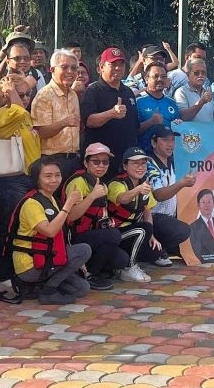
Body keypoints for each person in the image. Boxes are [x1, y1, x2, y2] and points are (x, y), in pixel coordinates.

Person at [7, 158, 92, 304]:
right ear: (37, 179)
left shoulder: (51, 199)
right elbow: (50, 231)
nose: (54, 180)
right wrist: (69, 204)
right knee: (84, 250)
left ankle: (38, 286)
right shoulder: (31, 203)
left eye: (57, 175)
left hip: (47, 258)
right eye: (48, 176)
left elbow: (61, 233)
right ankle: (48, 291)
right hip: (30, 265)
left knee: (82, 288)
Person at [0, 72, 41, 297]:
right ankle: (2, 276)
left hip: (28, 177)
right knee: (7, 228)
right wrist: (8, 91)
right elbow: (17, 110)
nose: (25, 98)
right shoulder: (5, 113)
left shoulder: (25, 115)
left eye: (28, 94)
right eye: (21, 94)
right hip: (11, 178)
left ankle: (17, 272)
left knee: (21, 228)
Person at [109, 146, 190, 275]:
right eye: (135, 163)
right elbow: (122, 199)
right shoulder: (117, 183)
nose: (140, 167)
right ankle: (129, 267)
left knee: (154, 250)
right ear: (125, 166)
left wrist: (151, 236)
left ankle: (136, 257)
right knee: (143, 230)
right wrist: (138, 190)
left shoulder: (144, 184)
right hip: (117, 233)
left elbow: (147, 211)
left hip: (136, 231)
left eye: (143, 163)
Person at [64, 143, 128, 290]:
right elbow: (71, 216)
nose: (101, 166)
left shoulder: (102, 185)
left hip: (92, 234)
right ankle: (90, 274)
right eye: (96, 161)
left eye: (105, 162)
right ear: (86, 163)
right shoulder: (78, 182)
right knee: (113, 235)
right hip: (74, 237)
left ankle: (93, 269)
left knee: (121, 259)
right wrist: (92, 196)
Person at [81, 47, 139, 172]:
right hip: (102, 162)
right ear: (101, 67)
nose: (118, 68)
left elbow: (134, 126)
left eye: (121, 64)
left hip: (125, 160)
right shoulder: (92, 91)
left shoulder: (128, 91)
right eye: (113, 64)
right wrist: (111, 113)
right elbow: (89, 121)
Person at [32, 48, 82, 181]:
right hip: (52, 162)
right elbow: (41, 133)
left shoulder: (72, 94)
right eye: (64, 67)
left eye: (74, 68)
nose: (70, 72)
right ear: (52, 69)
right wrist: (64, 122)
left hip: (73, 159)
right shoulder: (44, 95)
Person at [146, 124, 198, 242]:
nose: (170, 144)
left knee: (195, 236)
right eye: (165, 140)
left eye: (173, 140)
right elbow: (158, 195)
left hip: (172, 215)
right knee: (182, 230)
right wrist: (182, 183)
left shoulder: (176, 161)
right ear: (154, 143)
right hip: (153, 217)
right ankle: (159, 249)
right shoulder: (148, 163)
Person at [136, 63, 180, 150]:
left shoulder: (172, 102)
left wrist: (179, 124)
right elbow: (131, 132)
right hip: (144, 157)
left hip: (166, 157)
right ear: (146, 79)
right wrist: (151, 122)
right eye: (156, 76)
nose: (160, 79)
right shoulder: (138, 101)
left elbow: (176, 131)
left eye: (163, 76)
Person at [174, 57, 214, 122]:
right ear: (188, 74)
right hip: (190, 132)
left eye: (203, 73)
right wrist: (202, 102)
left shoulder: (208, 93)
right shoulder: (181, 92)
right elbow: (183, 117)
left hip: (209, 131)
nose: (200, 75)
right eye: (196, 73)